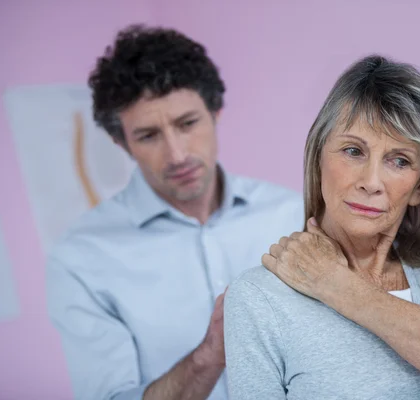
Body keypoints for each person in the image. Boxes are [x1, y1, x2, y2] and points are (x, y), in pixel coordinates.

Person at [224, 55, 420, 400]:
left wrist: (337, 285)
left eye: (399, 160)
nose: (371, 182)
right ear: (319, 160)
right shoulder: (257, 298)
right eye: (352, 151)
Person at [45, 24, 304, 400]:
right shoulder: (81, 259)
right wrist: (210, 355)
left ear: (215, 112)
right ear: (121, 143)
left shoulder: (292, 213)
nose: (177, 154)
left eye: (188, 124)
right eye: (148, 135)